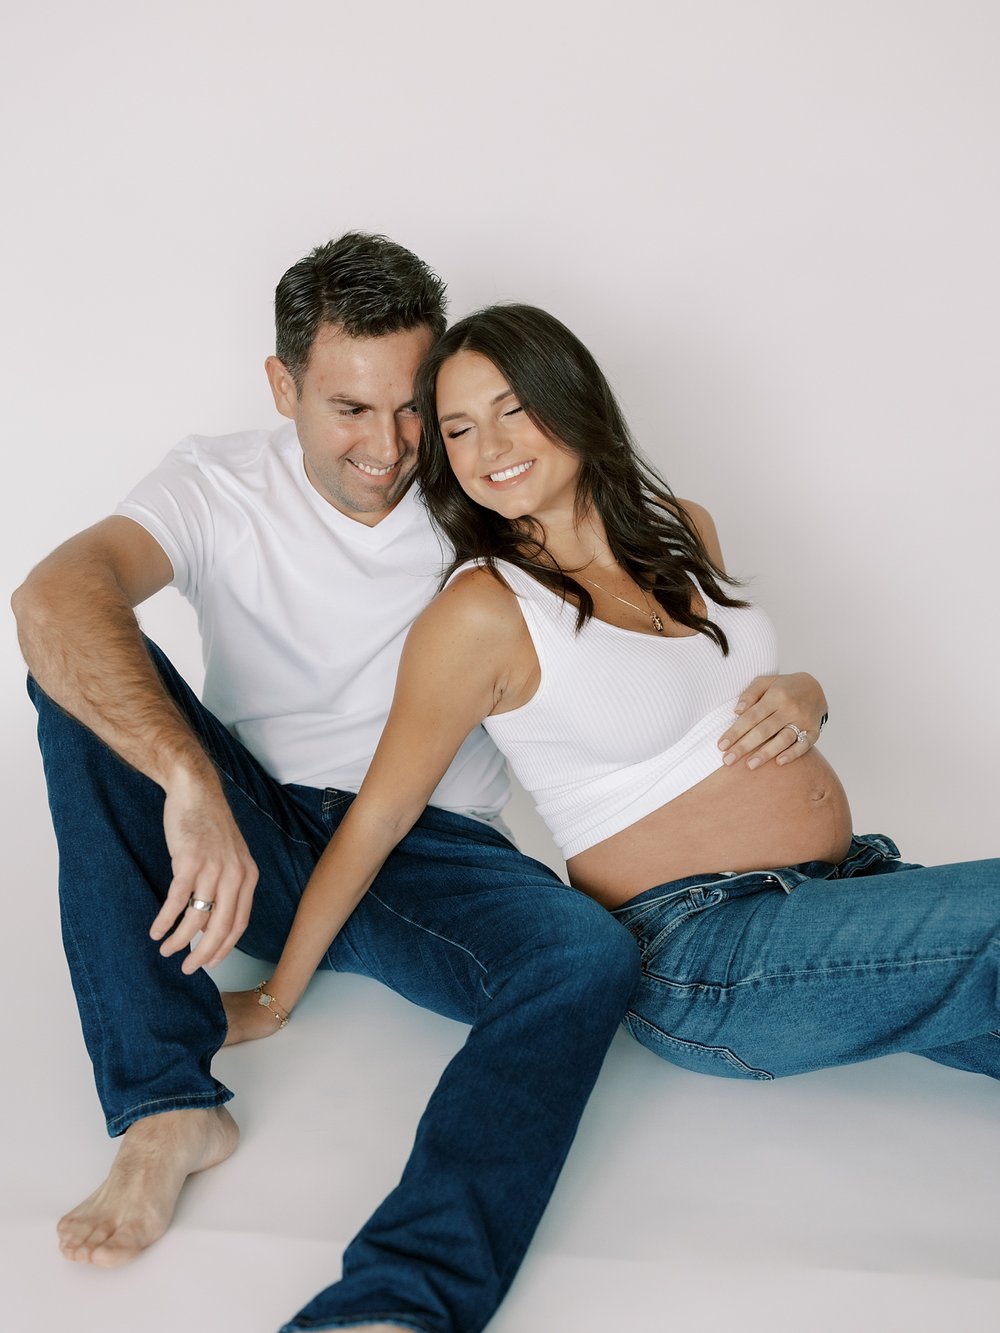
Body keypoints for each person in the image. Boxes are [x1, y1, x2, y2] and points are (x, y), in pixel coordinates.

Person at [12, 239, 825, 1333]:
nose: (389, 447)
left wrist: (799, 687)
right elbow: (53, 592)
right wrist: (187, 784)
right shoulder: (214, 483)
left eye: (413, 410)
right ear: (281, 384)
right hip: (247, 821)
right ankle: (164, 1107)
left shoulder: (483, 487)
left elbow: (657, 592)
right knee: (78, 657)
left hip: (432, 852)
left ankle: (397, 1303)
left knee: (587, 953)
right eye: (349, 408)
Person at [227, 302, 1000, 1118]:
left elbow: (712, 688)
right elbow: (377, 818)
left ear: (572, 398)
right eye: (456, 430)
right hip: (708, 951)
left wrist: (808, 692)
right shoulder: (483, 612)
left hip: (849, 884)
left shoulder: (681, 528)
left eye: (512, 410)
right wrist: (277, 996)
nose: (488, 449)